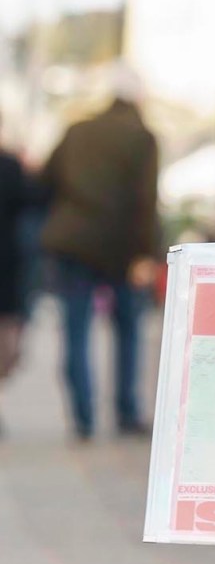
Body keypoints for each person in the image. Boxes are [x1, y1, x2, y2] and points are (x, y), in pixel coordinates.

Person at [38, 65, 160, 440]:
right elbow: (146, 200)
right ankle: (125, 412)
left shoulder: (77, 130)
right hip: (122, 247)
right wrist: (147, 253)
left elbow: (45, 180)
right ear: (138, 98)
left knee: (75, 330)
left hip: (74, 243)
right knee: (128, 330)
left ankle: (83, 417)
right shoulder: (141, 137)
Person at [0, 120, 43, 436]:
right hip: (8, 269)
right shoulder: (11, 166)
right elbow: (36, 203)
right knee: (7, 341)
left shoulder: (11, 166)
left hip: (9, 269)